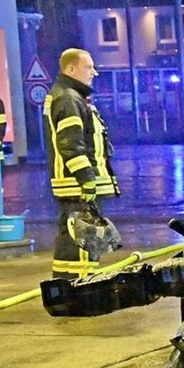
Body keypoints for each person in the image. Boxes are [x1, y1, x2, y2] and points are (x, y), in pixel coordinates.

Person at [44, 48, 119, 279]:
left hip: (74, 186)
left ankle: (67, 287)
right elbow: (71, 144)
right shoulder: (69, 98)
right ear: (71, 69)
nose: (94, 72)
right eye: (88, 67)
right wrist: (86, 179)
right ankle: (81, 288)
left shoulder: (69, 96)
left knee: (72, 243)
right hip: (78, 186)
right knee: (83, 244)